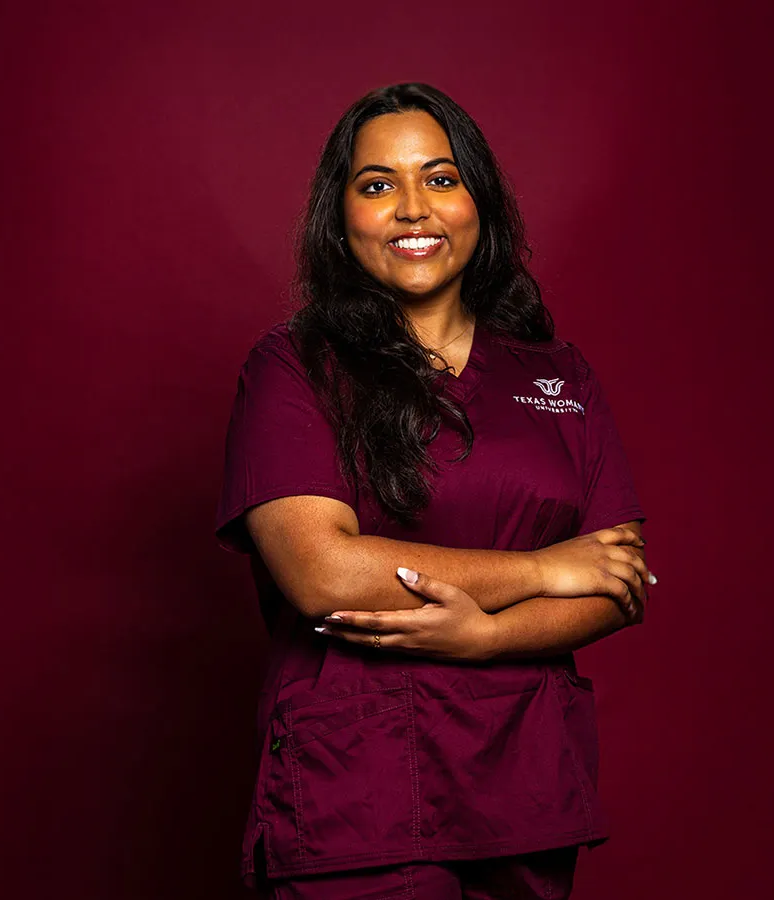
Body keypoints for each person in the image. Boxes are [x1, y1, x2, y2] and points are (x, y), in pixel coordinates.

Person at [213, 83, 649, 899]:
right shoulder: (294, 367)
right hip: (364, 793)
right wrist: (542, 570)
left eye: (441, 179)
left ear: (480, 202)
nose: (414, 208)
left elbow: (620, 580)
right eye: (378, 185)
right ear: (340, 221)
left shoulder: (558, 374)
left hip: (527, 784)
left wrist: (483, 640)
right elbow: (324, 574)